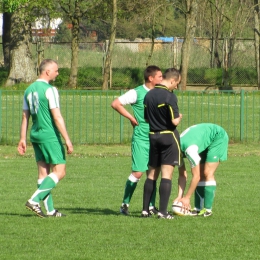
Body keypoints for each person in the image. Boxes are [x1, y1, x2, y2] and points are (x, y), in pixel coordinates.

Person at [17, 59, 73, 218]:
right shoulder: (50, 90)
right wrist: (67, 139)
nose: (58, 73)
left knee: (43, 174)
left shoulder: (28, 90)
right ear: (47, 72)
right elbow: (57, 116)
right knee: (60, 172)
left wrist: (23, 138)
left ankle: (50, 210)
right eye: (56, 70)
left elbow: (24, 116)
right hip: (49, 135)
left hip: (35, 134)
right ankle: (34, 200)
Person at [111, 65, 163, 216]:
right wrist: (131, 118)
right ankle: (125, 204)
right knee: (138, 173)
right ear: (151, 78)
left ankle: (151, 206)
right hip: (141, 138)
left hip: (157, 137)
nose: (162, 79)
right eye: (159, 76)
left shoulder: (161, 93)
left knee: (153, 173)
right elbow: (115, 103)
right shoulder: (137, 92)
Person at [142, 68, 182, 219]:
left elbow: (146, 119)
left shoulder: (148, 95)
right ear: (172, 80)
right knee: (167, 175)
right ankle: (163, 212)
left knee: (152, 174)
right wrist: (180, 117)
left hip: (152, 136)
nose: (176, 87)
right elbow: (174, 121)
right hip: (167, 137)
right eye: (176, 83)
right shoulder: (170, 96)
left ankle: (145, 210)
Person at [174, 123, 229, 217]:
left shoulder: (189, 150)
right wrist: (180, 196)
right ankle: (197, 209)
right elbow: (182, 175)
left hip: (217, 136)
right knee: (201, 173)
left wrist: (187, 197)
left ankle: (208, 210)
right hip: (202, 139)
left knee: (207, 173)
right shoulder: (174, 151)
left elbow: (196, 176)